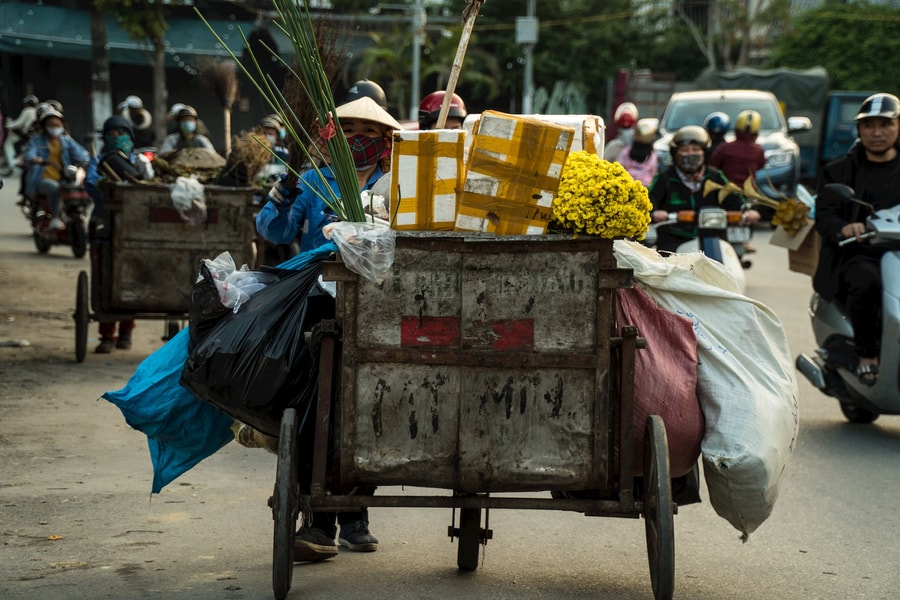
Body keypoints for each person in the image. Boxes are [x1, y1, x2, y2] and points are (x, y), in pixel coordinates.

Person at [257, 96, 402, 561]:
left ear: (383, 142)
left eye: (368, 132)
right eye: (349, 130)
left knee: (375, 404)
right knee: (317, 403)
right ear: (333, 137)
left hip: (381, 306)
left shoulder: (399, 182)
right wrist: (280, 199)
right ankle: (316, 518)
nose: (357, 140)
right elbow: (276, 234)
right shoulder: (314, 181)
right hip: (322, 306)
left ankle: (356, 514)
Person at [815, 92, 900, 386]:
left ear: (898, 126)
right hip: (857, 254)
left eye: (885, 124)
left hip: (898, 254)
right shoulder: (839, 171)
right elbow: (824, 215)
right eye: (869, 125)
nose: (877, 132)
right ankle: (867, 355)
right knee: (866, 280)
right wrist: (845, 227)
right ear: (860, 129)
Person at [84, 116, 155, 353]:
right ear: (104, 138)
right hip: (106, 226)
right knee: (106, 278)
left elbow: (151, 185)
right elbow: (92, 184)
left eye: (121, 134)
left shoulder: (140, 161)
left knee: (134, 275)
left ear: (130, 137)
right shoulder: (99, 161)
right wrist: (107, 184)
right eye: (111, 134)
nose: (116, 138)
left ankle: (126, 331)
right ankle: (107, 336)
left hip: (136, 227)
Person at [648, 125, 760, 253]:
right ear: (675, 153)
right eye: (685, 150)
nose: (690, 154)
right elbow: (651, 199)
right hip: (674, 238)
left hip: (713, 237)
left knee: (734, 256)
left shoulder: (715, 176)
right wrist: (655, 213)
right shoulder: (665, 177)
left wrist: (746, 210)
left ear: (704, 153)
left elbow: (732, 196)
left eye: (695, 149)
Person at [23, 105, 90, 231]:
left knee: (81, 188)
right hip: (43, 177)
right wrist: (35, 159)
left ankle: (76, 214)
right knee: (55, 189)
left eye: (57, 125)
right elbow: (29, 153)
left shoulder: (66, 141)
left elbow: (81, 154)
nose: (55, 128)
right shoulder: (36, 141)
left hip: (64, 177)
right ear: (45, 126)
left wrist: (87, 160)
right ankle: (55, 217)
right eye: (51, 125)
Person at [216, 114, 289, 188]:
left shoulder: (283, 154)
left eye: (271, 133)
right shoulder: (251, 150)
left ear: (277, 135)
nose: (268, 136)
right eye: (265, 132)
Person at [708, 109, 766, 187]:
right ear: (756, 134)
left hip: (726, 192)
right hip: (749, 193)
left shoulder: (724, 148)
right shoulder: (759, 151)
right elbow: (760, 166)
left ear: (736, 130)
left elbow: (712, 167)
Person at [615, 117, 658, 186]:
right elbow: (653, 172)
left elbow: (617, 168)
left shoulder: (625, 152)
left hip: (625, 186)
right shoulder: (652, 156)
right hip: (645, 188)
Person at [3, 94, 38, 176]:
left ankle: (14, 162)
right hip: (32, 135)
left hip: (25, 134)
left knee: (7, 144)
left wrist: (8, 125)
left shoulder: (27, 110)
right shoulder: (36, 111)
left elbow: (19, 123)